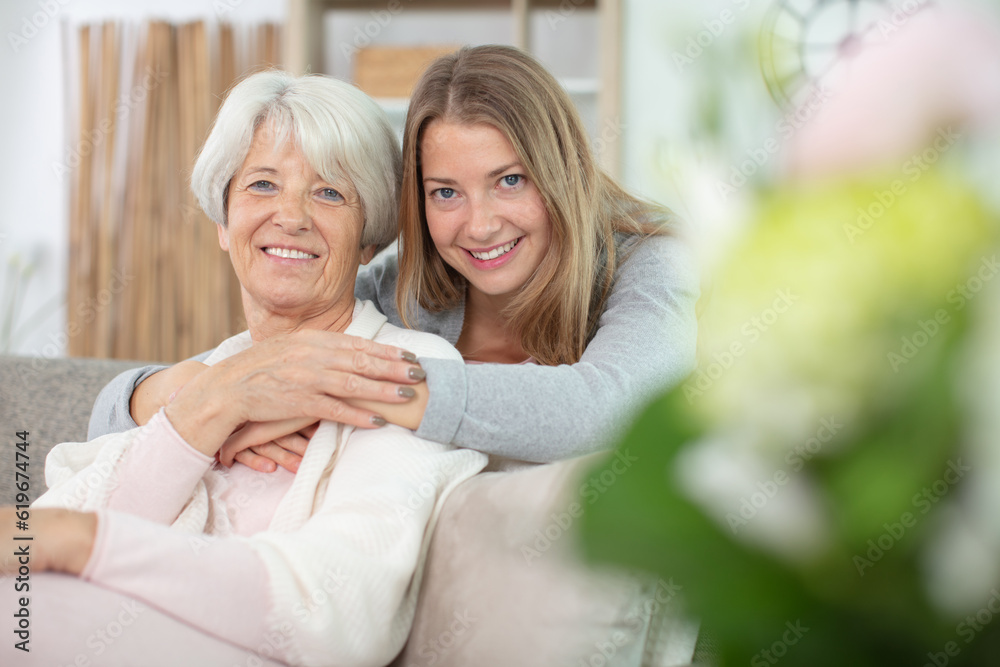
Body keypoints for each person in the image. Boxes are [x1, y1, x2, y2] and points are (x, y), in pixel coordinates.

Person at [0, 70, 487, 667]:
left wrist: (86, 544)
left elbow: (335, 609)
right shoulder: (218, 372)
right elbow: (37, 545)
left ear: (368, 241)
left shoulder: (400, 367)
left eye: (330, 193)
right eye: (262, 184)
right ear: (223, 225)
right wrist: (210, 408)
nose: (292, 215)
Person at [89, 45, 699, 469]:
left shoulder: (650, 263)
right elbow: (113, 416)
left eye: (510, 180)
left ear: (562, 173)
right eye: (445, 193)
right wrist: (213, 392)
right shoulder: (403, 289)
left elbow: (613, 412)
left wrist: (340, 388)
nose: (480, 224)